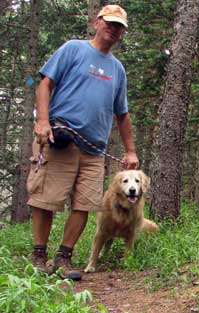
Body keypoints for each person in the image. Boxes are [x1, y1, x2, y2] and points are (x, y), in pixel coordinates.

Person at [27, 4, 139, 281]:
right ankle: (39, 256)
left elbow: (122, 114)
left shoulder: (118, 69)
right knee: (46, 199)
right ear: (97, 22)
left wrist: (130, 150)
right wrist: (42, 120)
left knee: (84, 204)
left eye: (119, 26)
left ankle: (64, 257)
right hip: (60, 138)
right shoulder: (73, 49)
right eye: (110, 23)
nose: (114, 29)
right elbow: (45, 84)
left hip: (94, 149)